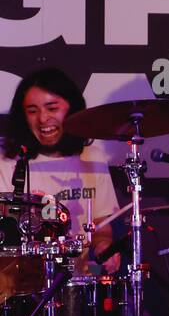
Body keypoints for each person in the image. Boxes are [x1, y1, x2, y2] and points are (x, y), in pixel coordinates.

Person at [0, 67, 121, 274]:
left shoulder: (92, 156)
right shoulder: (7, 161)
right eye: (32, 111)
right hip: (19, 285)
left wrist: (103, 246)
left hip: (75, 284)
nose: (42, 119)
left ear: (71, 109)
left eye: (52, 108)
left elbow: (100, 224)